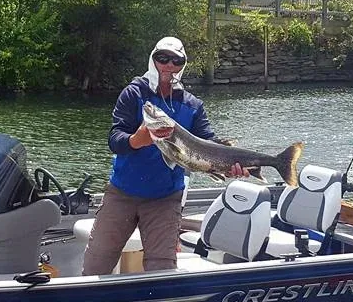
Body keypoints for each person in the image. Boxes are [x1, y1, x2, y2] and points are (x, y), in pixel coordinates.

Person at [82, 36, 247, 275]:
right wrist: (135, 140)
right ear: (153, 60)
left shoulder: (192, 105)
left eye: (176, 61)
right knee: (96, 265)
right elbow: (114, 139)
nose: (169, 65)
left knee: (161, 270)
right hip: (122, 193)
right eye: (163, 58)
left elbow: (209, 144)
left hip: (165, 198)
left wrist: (230, 165)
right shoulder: (133, 94)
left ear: (183, 65)